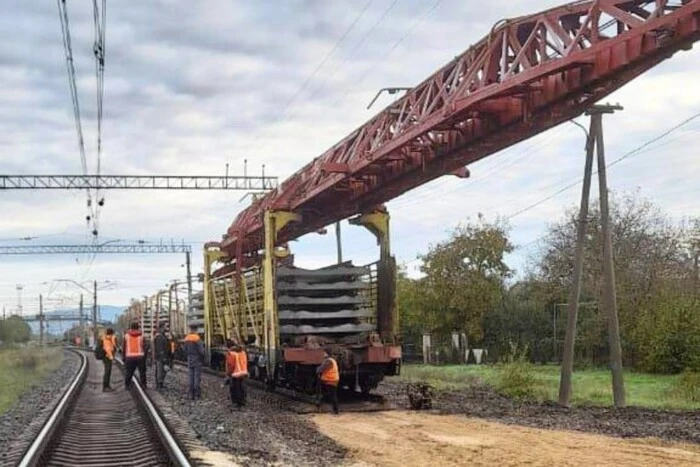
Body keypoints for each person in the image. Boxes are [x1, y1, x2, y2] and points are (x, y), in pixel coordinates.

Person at [183, 324, 205, 400]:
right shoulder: (197, 338)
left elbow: (184, 350)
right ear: (196, 329)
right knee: (197, 377)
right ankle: (197, 394)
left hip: (189, 358)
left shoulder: (186, 338)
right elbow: (201, 351)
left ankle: (191, 394)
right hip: (197, 359)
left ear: (190, 329)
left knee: (190, 377)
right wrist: (202, 358)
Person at [123, 322, 148, 389]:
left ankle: (127, 385)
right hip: (140, 356)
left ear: (131, 328)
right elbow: (145, 347)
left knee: (129, 372)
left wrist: (124, 358)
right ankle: (143, 384)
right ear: (138, 327)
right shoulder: (141, 336)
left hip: (129, 357)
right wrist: (144, 356)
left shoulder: (126, 336)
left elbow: (124, 347)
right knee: (142, 372)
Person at [226, 340, 249, 409]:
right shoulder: (243, 352)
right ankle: (243, 401)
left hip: (235, 373)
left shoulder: (231, 353)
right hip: (243, 372)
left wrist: (228, 373)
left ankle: (236, 403)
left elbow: (231, 365)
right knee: (242, 388)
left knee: (235, 388)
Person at [153, 323, 171, 390]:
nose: (166, 328)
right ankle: (159, 384)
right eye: (165, 327)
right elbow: (160, 348)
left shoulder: (162, 336)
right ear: (161, 328)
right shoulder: (159, 337)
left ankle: (160, 383)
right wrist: (163, 358)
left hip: (162, 356)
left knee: (163, 371)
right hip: (160, 357)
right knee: (160, 371)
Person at [101, 328, 118, 392]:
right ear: (111, 334)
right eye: (113, 334)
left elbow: (114, 346)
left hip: (107, 357)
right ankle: (106, 387)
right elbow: (108, 349)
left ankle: (107, 386)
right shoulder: (107, 340)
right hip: (107, 357)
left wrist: (113, 339)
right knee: (107, 372)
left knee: (108, 371)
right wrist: (111, 358)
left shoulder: (108, 339)